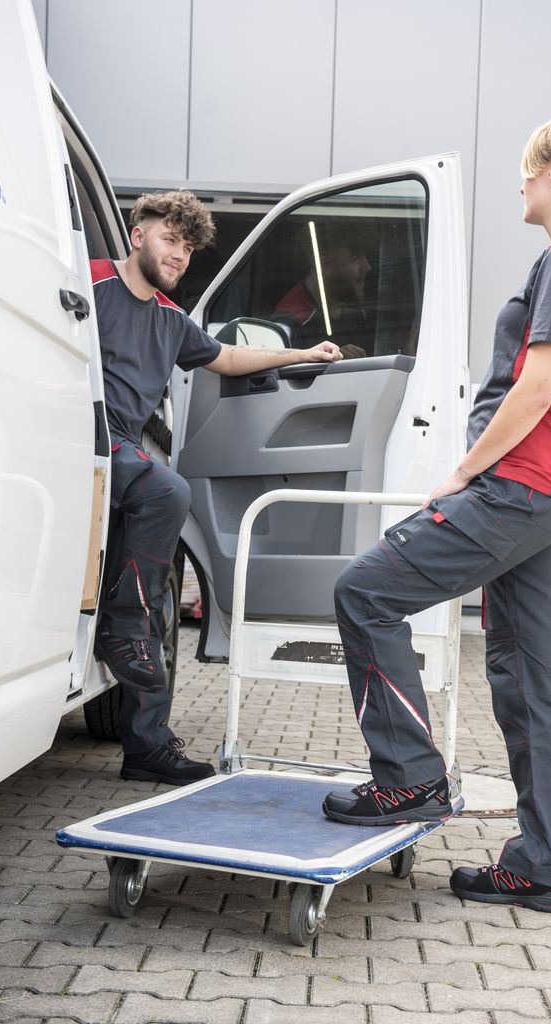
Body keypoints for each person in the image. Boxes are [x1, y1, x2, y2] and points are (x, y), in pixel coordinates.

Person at [322, 104, 551, 914]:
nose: (520, 186)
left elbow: (540, 383)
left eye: (528, 172)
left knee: (364, 591)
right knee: (530, 682)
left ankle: (408, 779)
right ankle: (544, 865)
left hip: (520, 486)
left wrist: (461, 474)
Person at [91, 191, 341, 786]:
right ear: (138, 235)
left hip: (124, 447)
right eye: (169, 239)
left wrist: (301, 352)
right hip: (85, 433)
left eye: (187, 247)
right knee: (168, 492)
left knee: (153, 599)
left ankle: (146, 743)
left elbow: (226, 357)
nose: (178, 254)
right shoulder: (89, 285)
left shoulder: (170, 320)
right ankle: (122, 625)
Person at [271, 223, 372, 358]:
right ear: (324, 265)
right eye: (356, 258)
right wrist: (334, 361)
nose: (367, 267)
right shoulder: (292, 323)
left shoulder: (355, 311)